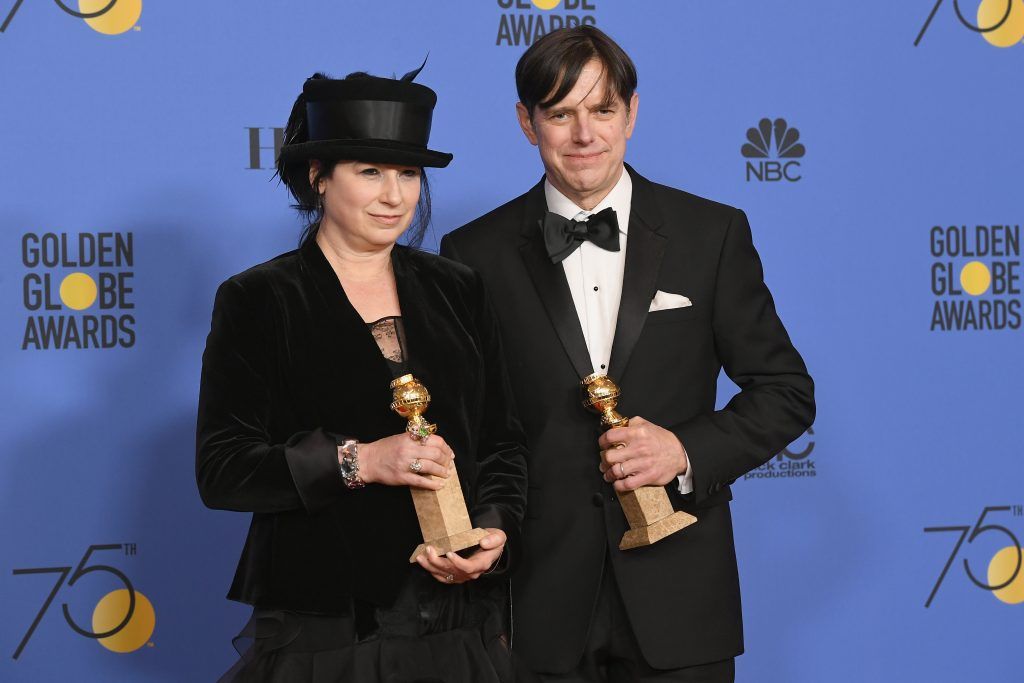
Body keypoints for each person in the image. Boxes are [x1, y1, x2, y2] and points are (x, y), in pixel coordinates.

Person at [440, 26, 815, 682]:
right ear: (527, 123)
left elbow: (785, 389)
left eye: (603, 109)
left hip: (681, 595)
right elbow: (468, 429)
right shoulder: (473, 254)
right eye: (560, 113)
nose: (585, 134)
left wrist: (686, 451)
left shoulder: (711, 233)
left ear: (632, 113)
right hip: (535, 601)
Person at [196, 68, 527, 682]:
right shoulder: (259, 298)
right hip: (329, 627)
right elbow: (223, 470)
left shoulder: (458, 288)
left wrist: (493, 530)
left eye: (407, 173)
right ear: (318, 177)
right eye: (369, 171)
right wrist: (362, 461)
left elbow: (500, 444)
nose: (394, 196)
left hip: (456, 626)